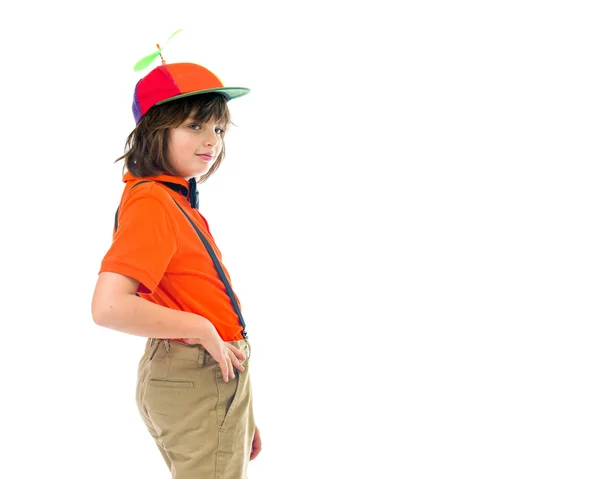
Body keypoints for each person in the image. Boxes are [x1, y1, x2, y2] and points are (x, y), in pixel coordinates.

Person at [91, 56, 262, 478]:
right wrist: (202, 329)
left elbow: (194, 291)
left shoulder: (171, 199)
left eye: (218, 129)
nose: (211, 141)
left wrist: (240, 409)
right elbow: (109, 306)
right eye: (194, 126)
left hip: (208, 376)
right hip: (196, 369)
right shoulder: (153, 202)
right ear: (154, 131)